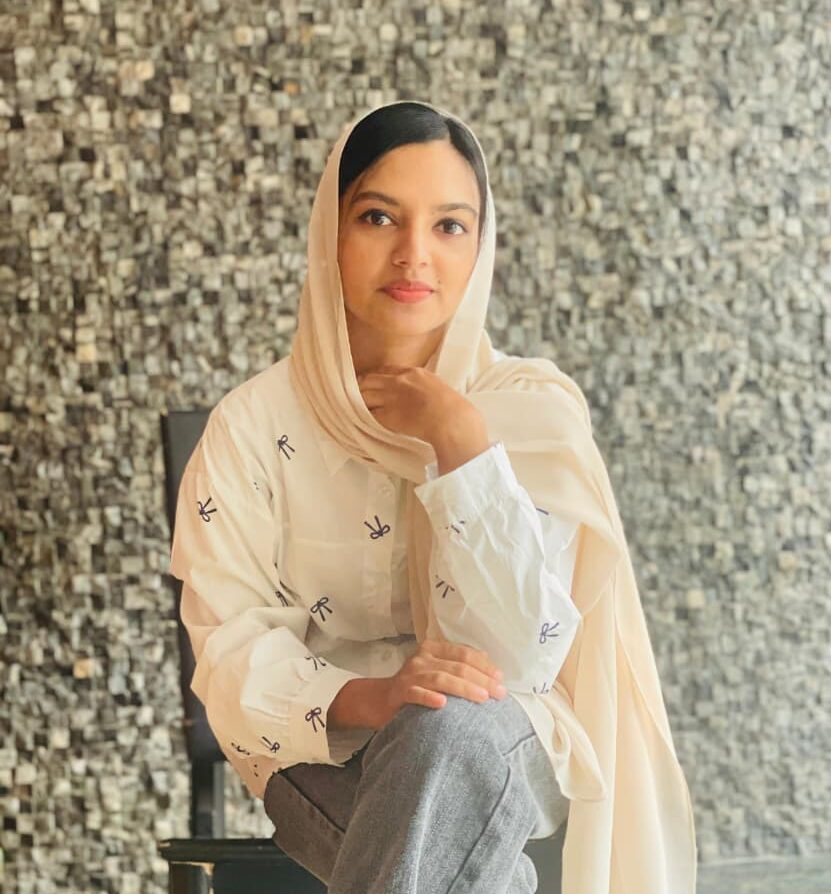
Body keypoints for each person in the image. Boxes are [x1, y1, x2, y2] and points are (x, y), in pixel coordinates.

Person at [169, 99, 697, 894]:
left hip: (501, 739)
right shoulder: (252, 428)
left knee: (445, 739)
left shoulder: (526, 409)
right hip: (328, 751)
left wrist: (461, 445)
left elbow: (522, 655)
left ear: (480, 244)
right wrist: (374, 696)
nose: (414, 254)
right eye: (380, 217)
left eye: (449, 225)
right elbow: (231, 646)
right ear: (330, 232)